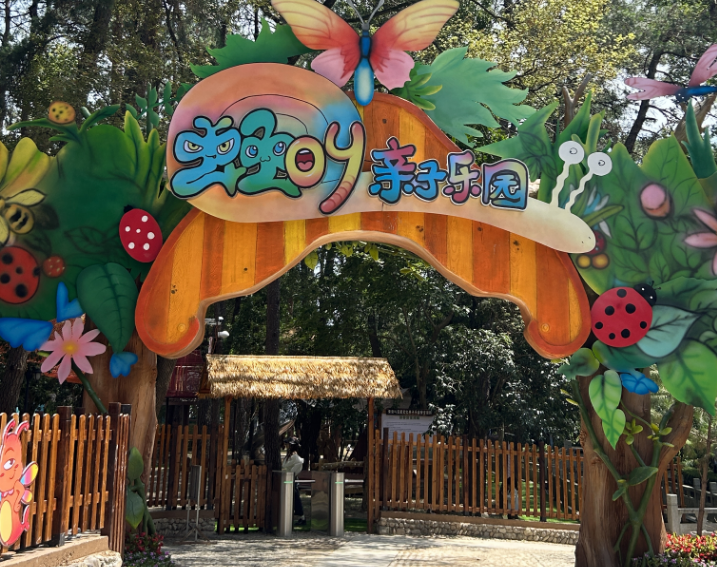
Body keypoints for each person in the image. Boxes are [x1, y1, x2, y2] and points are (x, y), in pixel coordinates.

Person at [282, 437, 306, 525]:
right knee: (290, 499)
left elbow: (296, 468)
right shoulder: (289, 456)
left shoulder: (295, 457)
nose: (286, 445)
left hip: (291, 480)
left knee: (295, 499)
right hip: (287, 479)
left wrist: (290, 475)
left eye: (288, 444)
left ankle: (302, 518)